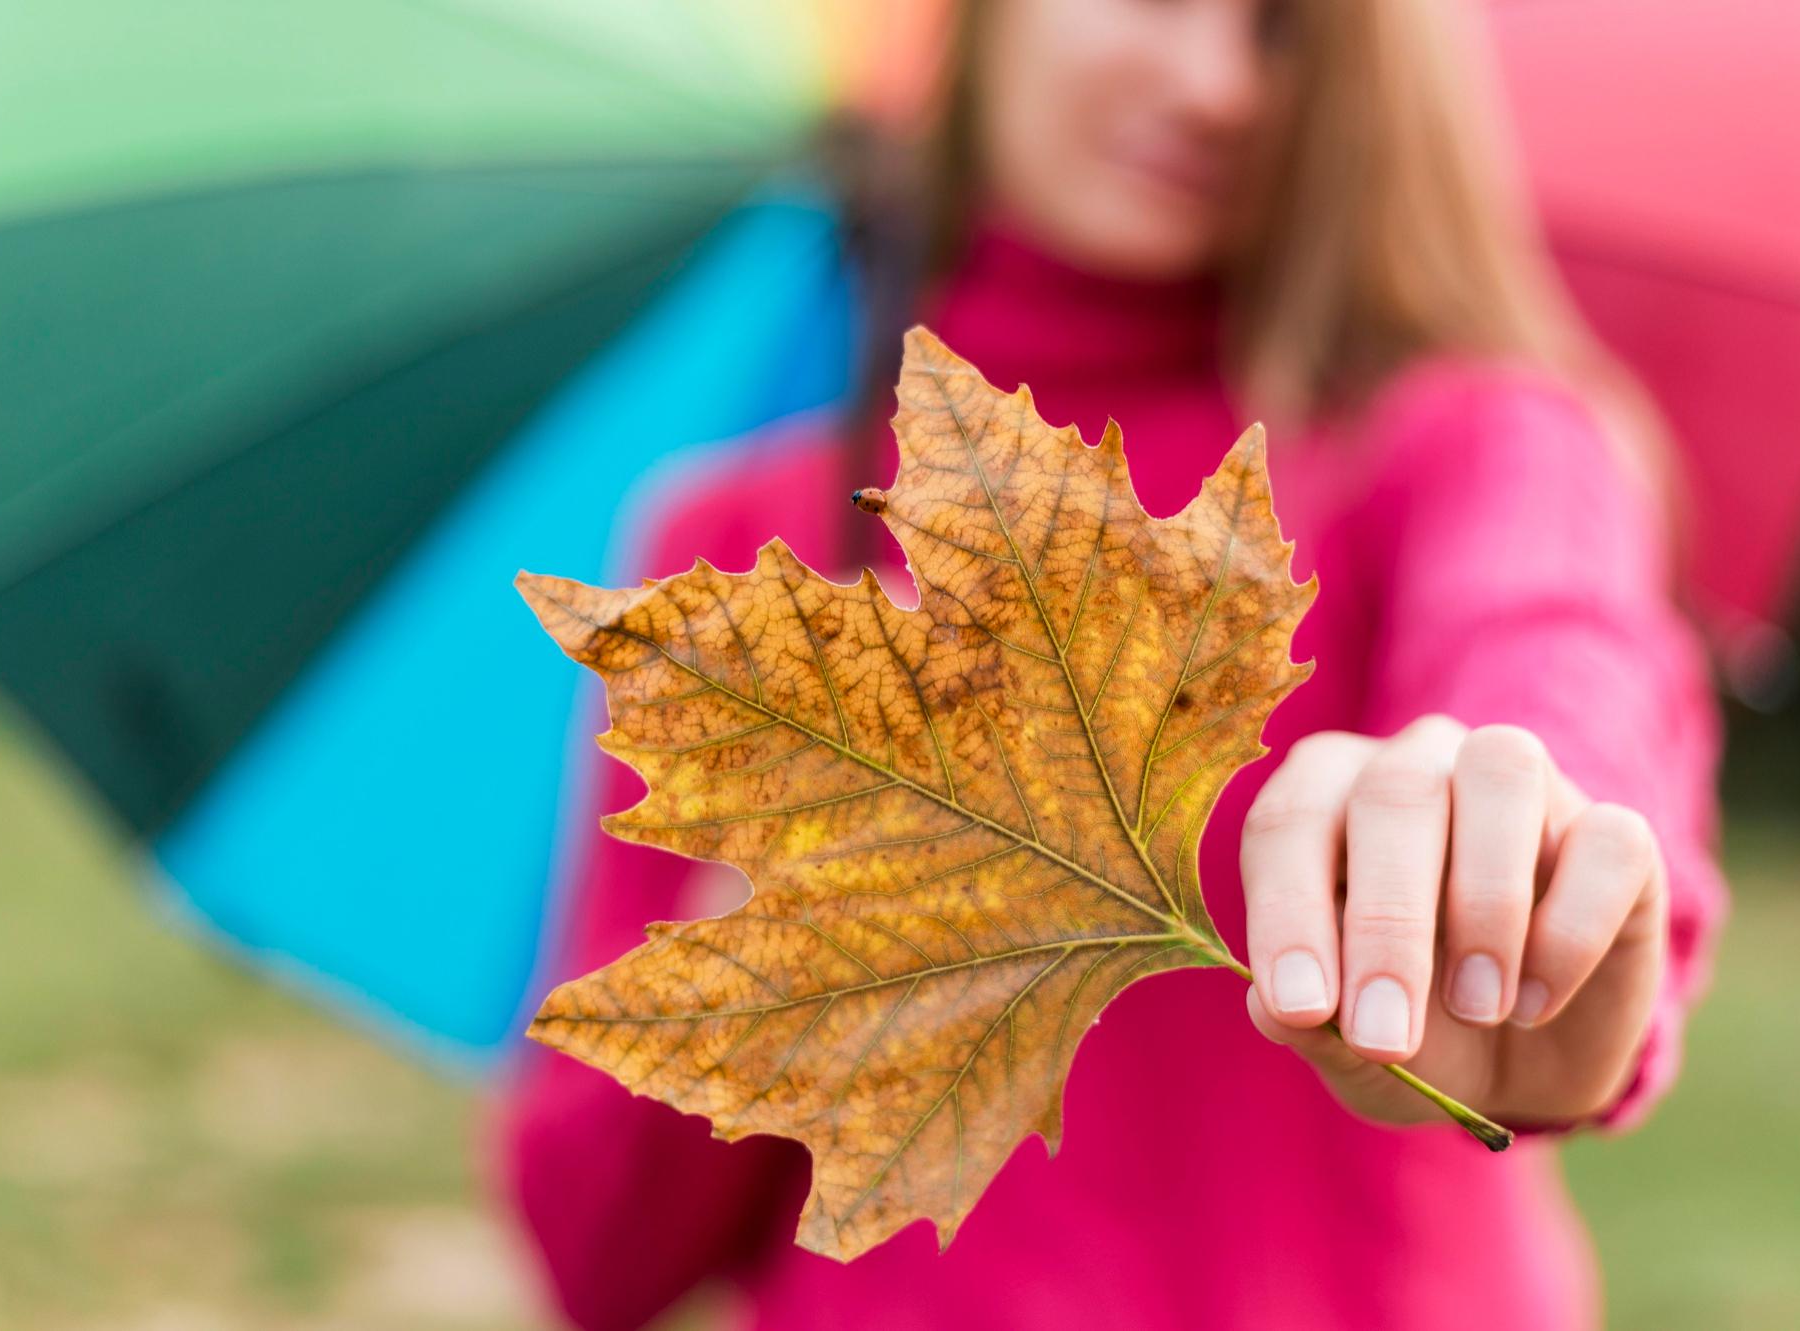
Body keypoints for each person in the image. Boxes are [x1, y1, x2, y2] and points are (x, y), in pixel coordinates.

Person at [498, 0, 1728, 1326]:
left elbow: (1547, 654)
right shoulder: (744, 549)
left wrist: (1526, 849)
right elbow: (595, 1258)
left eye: (1283, 34)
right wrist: (780, 874)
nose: (1214, 86)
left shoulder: (1466, 447)